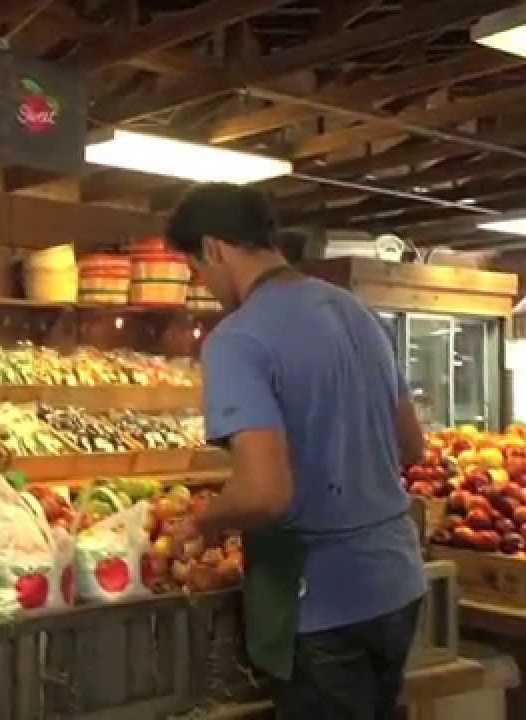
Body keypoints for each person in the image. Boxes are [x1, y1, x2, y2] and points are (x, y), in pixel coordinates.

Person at [164, 183, 427, 720]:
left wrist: (201, 522)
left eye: (196, 269)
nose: (205, 285)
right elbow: (410, 445)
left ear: (214, 248)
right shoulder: (359, 313)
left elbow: (265, 493)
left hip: (322, 599)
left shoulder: (237, 339)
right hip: (398, 582)